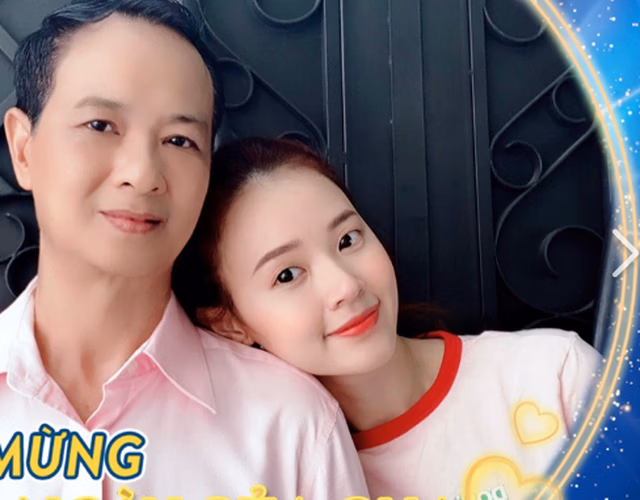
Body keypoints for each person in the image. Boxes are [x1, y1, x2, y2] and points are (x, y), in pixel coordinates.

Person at [0, 2, 369, 499]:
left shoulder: (292, 425)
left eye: (179, 140)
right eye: (100, 125)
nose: (143, 174)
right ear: (23, 148)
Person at [178, 136, 603, 500]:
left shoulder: (554, 376)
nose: (346, 286)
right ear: (228, 322)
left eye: (348, 239)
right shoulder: (291, 481)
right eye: (288, 275)